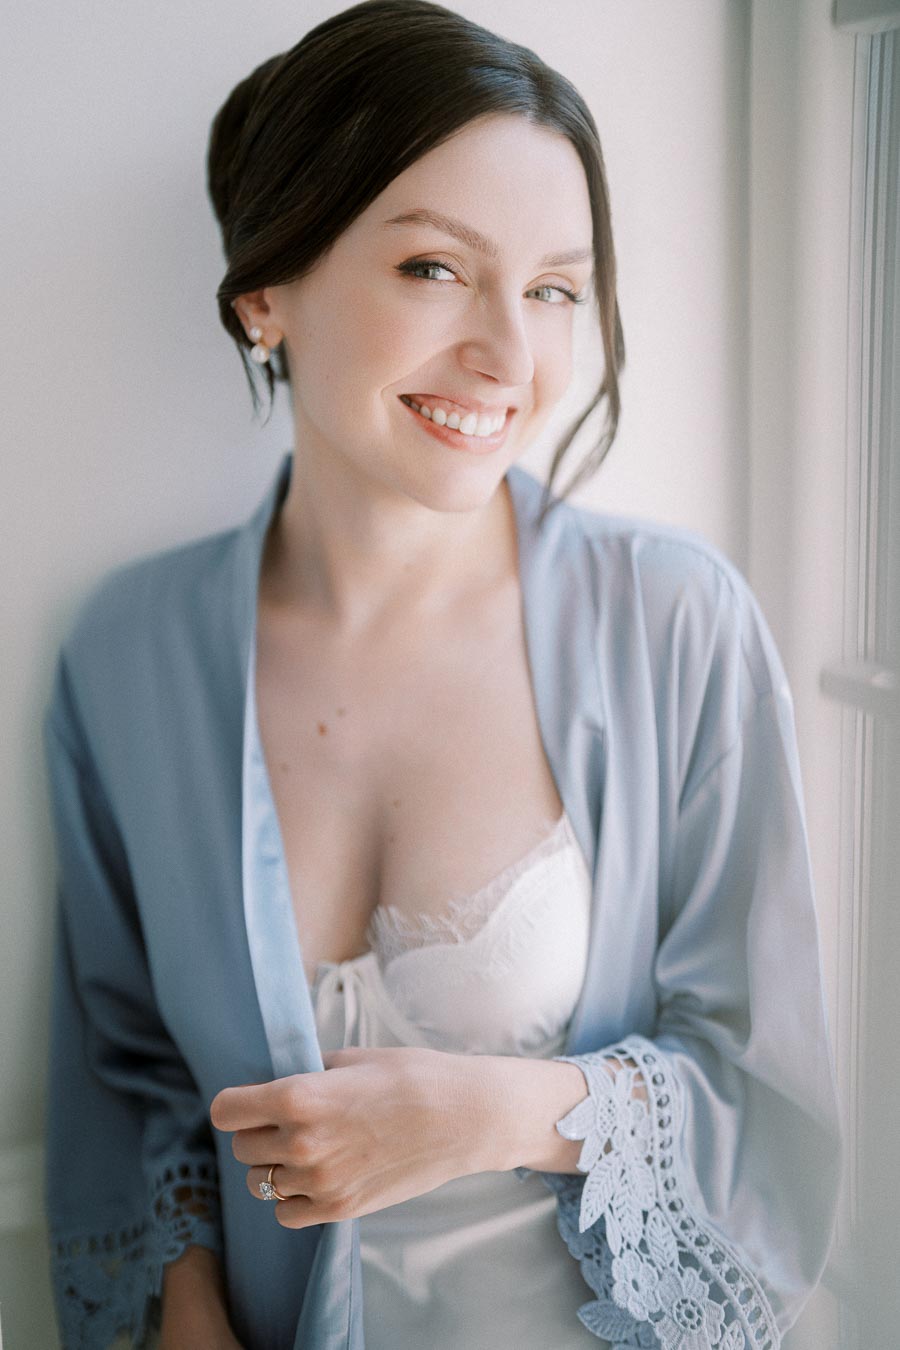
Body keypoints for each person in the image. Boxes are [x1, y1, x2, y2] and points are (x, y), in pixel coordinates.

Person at [42, 1, 843, 1347]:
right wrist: (187, 1307)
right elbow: (131, 1070)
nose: (510, 356)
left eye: (553, 288)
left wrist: (490, 1112)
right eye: (435, 269)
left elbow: (771, 1099)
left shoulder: (678, 623)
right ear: (265, 292)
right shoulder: (124, 655)